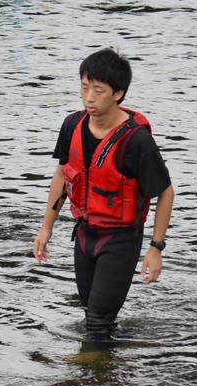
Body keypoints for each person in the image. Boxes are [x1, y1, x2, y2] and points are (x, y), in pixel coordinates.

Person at [33, 48, 175, 340]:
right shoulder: (72, 124)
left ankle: (90, 380)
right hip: (84, 234)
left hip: (120, 239)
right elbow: (62, 173)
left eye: (98, 90)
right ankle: (109, 377)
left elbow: (165, 192)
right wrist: (46, 228)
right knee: (94, 318)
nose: (89, 97)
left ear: (118, 93)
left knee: (97, 324)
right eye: (84, 88)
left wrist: (155, 248)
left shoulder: (137, 141)